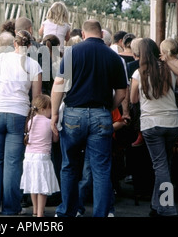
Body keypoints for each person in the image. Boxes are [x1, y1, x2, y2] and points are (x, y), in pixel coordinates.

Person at [50, 19, 127, 217]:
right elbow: (122, 92)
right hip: (101, 114)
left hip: (74, 113)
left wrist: (55, 113)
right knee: (101, 168)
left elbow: (59, 83)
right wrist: (108, 108)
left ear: (83, 34)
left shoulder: (72, 52)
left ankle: (68, 210)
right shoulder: (113, 56)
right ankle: (101, 213)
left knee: (69, 165)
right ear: (101, 34)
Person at [0, 30, 42, 215]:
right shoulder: (34, 65)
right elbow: (37, 98)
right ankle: (11, 206)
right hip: (18, 112)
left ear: (14, 43)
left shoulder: (0, 58)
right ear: (29, 46)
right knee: (13, 161)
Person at [130, 38, 178, 217]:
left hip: (151, 124)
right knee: (164, 164)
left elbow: (133, 100)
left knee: (160, 165)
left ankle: (167, 207)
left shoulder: (138, 73)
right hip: (172, 122)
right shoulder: (169, 70)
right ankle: (157, 205)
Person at [77, 107, 126, 217]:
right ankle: (81, 208)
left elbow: (119, 121)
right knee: (95, 176)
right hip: (99, 139)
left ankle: (106, 209)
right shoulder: (104, 101)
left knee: (92, 176)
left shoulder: (106, 102)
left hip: (102, 139)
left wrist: (105, 129)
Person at [20, 94, 60, 217]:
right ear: (43, 109)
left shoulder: (30, 121)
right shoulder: (49, 123)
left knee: (33, 184)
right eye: (50, 109)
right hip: (42, 158)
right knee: (42, 187)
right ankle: (40, 213)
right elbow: (55, 139)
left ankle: (35, 210)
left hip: (29, 157)